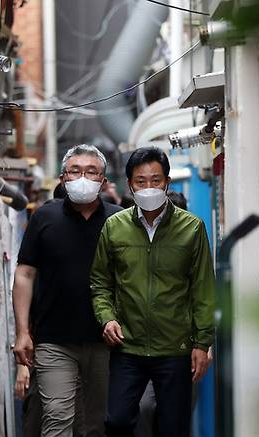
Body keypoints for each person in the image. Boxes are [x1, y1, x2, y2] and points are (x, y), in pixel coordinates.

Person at [90, 146, 215, 437]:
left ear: (167, 183)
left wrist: (202, 342)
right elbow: (100, 282)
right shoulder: (114, 227)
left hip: (175, 348)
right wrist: (106, 318)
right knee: (117, 421)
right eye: (141, 181)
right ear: (130, 185)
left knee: (172, 427)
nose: (149, 187)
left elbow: (203, 289)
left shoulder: (192, 228)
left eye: (155, 180)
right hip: (128, 347)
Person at [13, 144, 122, 437]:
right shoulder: (44, 218)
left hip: (108, 343)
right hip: (54, 342)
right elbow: (24, 274)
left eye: (91, 171)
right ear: (63, 178)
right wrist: (22, 332)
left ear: (103, 181)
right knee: (57, 419)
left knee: (96, 424)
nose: (83, 177)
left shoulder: (121, 220)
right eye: (75, 170)